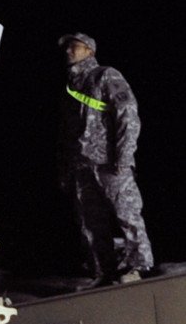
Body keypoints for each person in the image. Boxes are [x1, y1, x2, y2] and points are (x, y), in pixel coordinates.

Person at [57, 33, 153, 288]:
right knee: (90, 223)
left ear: (89, 50)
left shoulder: (105, 75)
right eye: (66, 47)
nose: (68, 51)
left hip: (110, 162)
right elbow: (67, 132)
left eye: (74, 47)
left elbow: (128, 115)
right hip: (82, 166)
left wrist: (123, 156)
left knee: (127, 213)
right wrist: (67, 169)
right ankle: (103, 271)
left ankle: (138, 265)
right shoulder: (71, 86)